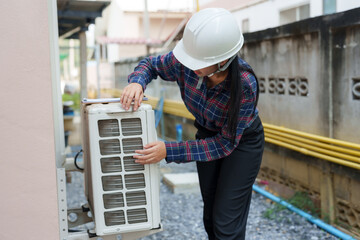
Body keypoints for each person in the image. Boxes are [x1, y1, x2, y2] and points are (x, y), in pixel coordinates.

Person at [120, 8, 264, 240]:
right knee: (210, 217)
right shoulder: (184, 62)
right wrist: (137, 82)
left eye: (197, 61)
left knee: (226, 223)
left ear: (222, 60)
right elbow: (150, 64)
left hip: (241, 143)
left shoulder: (245, 84)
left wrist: (169, 151)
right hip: (207, 133)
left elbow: (225, 144)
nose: (189, 65)